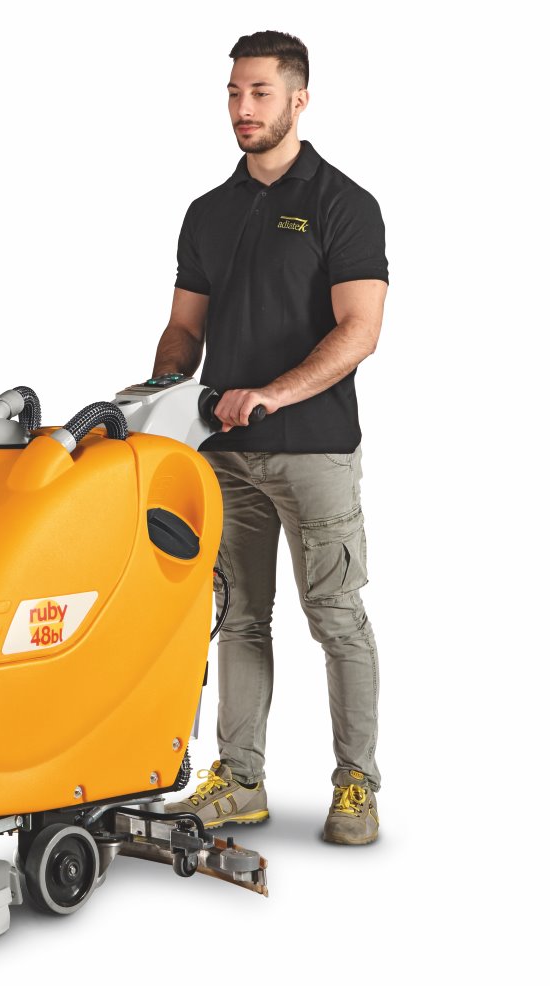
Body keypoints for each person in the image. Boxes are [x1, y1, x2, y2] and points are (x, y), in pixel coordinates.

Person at [157, 30, 388, 845]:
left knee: (336, 617)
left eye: (259, 93)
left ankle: (356, 784)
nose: (242, 109)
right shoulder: (209, 213)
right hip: (225, 456)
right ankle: (241, 780)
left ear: (299, 98)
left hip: (316, 448)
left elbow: (359, 330)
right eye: (233, 93)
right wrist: (159, 393)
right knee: (241, 617)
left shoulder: (342, 203)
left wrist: (273, 394)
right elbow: (185, 329)